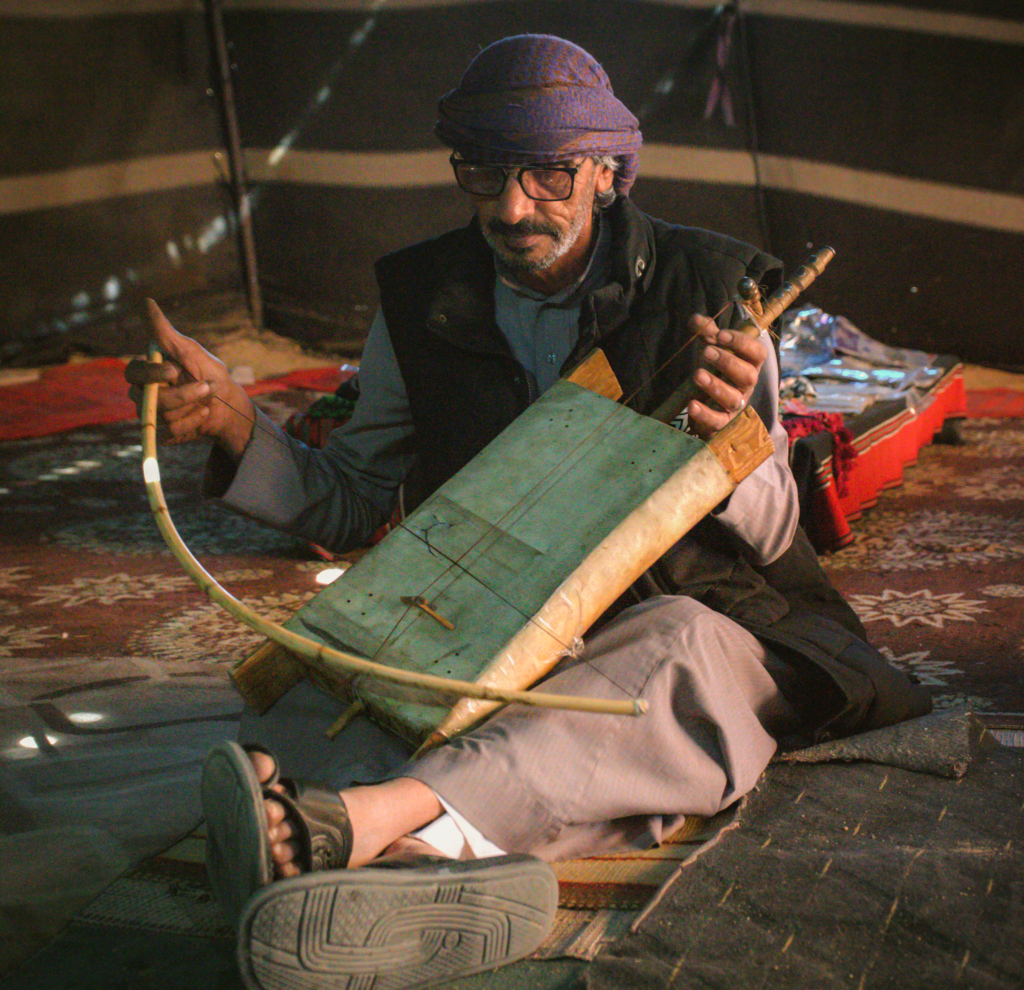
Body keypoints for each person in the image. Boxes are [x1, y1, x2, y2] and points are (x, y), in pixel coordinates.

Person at [127, 34, 930, 990]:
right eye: (484, 172)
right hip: (496, 627)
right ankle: (420, 872)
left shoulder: (712, 292)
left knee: (664, 663)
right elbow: (347, 503)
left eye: (549, 174)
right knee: (323, 696)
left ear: (606, 171)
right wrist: (232, 423)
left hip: (706, 615)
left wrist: (730, 448)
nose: (512, 208)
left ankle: (362, 826)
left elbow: (769, 536)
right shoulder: (423, 298)